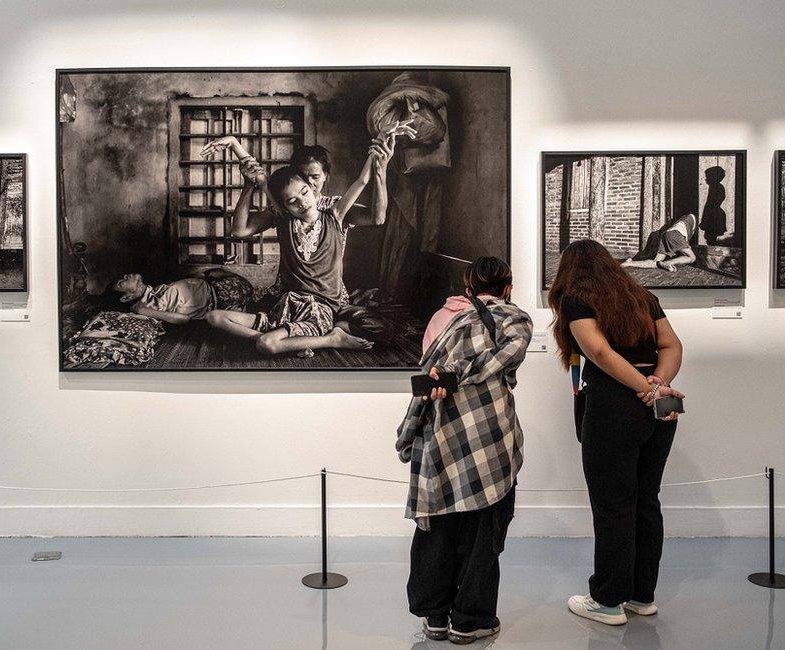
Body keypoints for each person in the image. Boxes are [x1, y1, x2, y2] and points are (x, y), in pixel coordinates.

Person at [394, 257, 532, 645]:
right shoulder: (514, 319)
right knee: (482, 529)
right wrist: (458, 375)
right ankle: (469, 621)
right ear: (507, 286)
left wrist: (449, 376)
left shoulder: (443, 318)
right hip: (487, 435)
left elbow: (431, 375)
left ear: (468, 288)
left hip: (439, 434)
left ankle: (436, 616)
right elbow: (507, 358)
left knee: (439, 525)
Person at [549, 239, 685, 626]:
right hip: (660, 408)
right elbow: (671, 344)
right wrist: (659, 383)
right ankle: (642, 596)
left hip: (616, 405)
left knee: (614, 505)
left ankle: (607, 600)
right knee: (646, 501)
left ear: (570, 270)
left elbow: (600, 354)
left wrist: (647, 387)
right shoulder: (643, 295)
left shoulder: (577, 298)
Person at [206, 145, 387, 356]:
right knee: (214, 317)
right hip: (286, 304)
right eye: (293, 201)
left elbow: (363, 185)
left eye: (309, 186)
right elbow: (258, 192)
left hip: (320, 305)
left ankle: (324, 338)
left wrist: (378, 156)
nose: (303, 202)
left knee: (380, 329)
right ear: (285, 206)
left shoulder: (334, 214)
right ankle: (296, 341)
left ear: (321, 179)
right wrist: (236, 149)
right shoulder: (286, 218)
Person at [113, 268, 253, 325]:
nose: (125, 276)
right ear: (126, 298)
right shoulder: (147, 306)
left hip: (221, 285)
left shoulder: (153, 290)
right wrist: (144, 311)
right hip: (222, 300)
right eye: (121, 282)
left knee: (211, 272)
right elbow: (183, 319)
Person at [622, 212, 698, 272]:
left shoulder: (680, 221)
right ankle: (667, 263)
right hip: (675, 235)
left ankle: (629, 263)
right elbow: (686, 240)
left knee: (656, 262)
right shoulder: (692, 219)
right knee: (692, 257)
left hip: (665, 235)